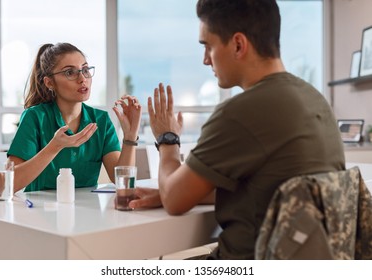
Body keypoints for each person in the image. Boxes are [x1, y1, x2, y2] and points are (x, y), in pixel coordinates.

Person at [130, 0, 345, 259]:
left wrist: (167, 138)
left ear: (238, 44)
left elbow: (175, 201)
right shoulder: (314, 98)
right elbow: (267, 188)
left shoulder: (240, 112)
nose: (205, 59)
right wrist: (177, 191)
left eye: (208, 46)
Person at [8, 42, 141, 193]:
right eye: (69, 72)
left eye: (85, 70)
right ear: (49, 82)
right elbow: (5, 185)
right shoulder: (35, 117)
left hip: (89, 212)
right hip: (41, 212)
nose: (82, 79)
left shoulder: (101, 120)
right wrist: (54, 147)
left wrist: (130, 137)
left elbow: (122, 183)